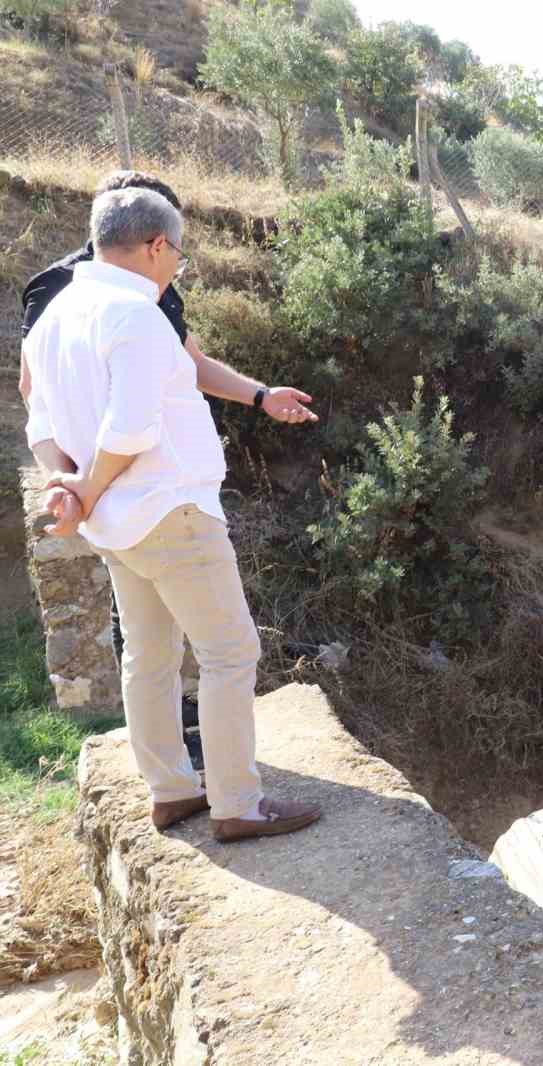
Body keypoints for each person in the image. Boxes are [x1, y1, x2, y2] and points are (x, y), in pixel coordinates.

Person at [24, 187, 319, 842]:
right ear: (157, 246)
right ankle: (238, 804)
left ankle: (170, 791)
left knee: (150, 654)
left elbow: (40, 421)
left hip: (119, 529)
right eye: (178, 257)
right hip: (170, 509)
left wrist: (67, 485)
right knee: (229, 651)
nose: (176, 269)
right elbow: (129, 430)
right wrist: (89, 488)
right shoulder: (135, 314)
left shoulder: (55, 314)